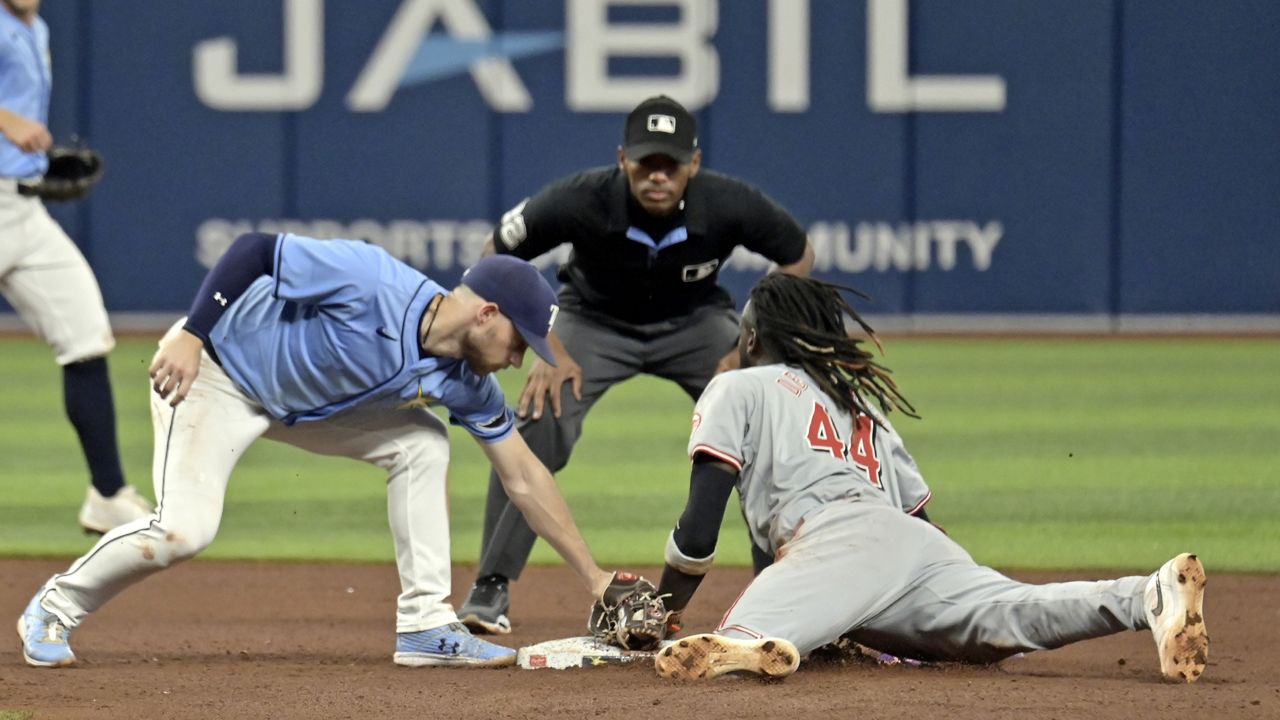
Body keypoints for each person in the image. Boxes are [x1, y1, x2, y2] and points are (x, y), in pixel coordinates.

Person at [17, 231, 632, 669]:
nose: (522, 356)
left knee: (421, 442)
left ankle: (425, 626)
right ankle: (53, 607)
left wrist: (595, 577)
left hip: (294, 407)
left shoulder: (466, 381)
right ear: (486, 314)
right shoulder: (371, 280)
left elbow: (524, 475)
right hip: (213, 375)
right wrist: (194, 335)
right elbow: (254, 250)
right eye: (520, 339)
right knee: (184, 531)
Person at [649, 273, 1210, 683]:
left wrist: (662, 610)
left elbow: (699, 531)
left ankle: (755, 644)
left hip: (833, 539)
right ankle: (1145, 596)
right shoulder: (860, 402)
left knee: (726, 649)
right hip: (915, 545)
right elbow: (918, 522)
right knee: (1014, 614)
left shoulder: (738, 386)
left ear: (750, 340)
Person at [457, 95, 816, 634]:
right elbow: (494, 256)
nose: (657, 175)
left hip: (695, 324)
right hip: (592, 322)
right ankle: (491, 587)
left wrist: (749, 343)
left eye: (669, 164)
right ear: (623, 158)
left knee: (762, 415)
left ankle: (776, 584)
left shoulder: (727, 203)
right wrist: (543, 339)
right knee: (541, 413)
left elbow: (798, 255)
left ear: (693, 164)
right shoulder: (581, 199)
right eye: (645, 162)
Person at [0, 0, 153, 533]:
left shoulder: (34, 25)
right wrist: (6, 119)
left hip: (24, 209)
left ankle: (107, 494)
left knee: (86, 334)